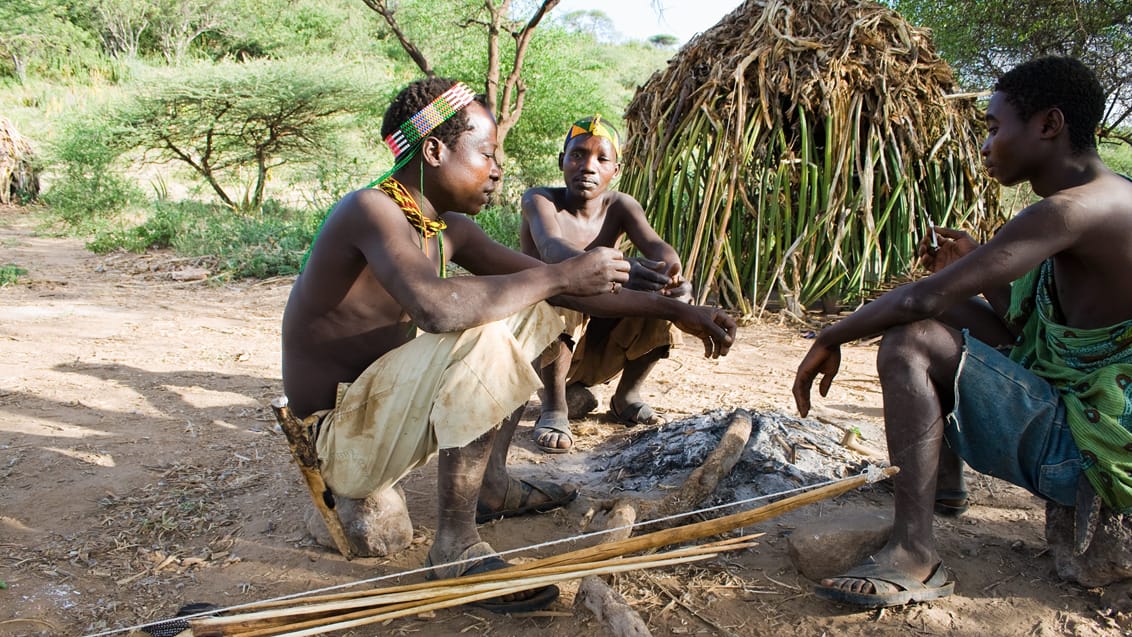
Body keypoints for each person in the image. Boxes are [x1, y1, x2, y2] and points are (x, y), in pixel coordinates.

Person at [282, 78, 737, 613]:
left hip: (382, 420)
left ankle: (491, 485)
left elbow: (568, 290)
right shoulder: (370, 209)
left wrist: (678, 310)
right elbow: (437, 308)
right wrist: (564, 273)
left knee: (543, 301)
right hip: (339, 440)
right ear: (434, 150)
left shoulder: (444, 227)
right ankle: (454, 547)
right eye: (487, 152)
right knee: (487, 330)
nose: (497, 168)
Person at [792, 56, 1132, 609]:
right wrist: (968, 264)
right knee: (932, 321)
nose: (985, 145)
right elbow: (1024, 329)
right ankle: (942, 490)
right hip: (1083, 429)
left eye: (995, 128)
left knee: (910, 337)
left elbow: (923, 300)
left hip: (1090, 454)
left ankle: (915, 555)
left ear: (1048, 125)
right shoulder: (1110, 195)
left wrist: (830, 335)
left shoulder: (1071, 210)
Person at [520, 115, 693, 453]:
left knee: (661, 301)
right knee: (558, 296)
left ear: (616, 170)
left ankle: (626, 395)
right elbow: (553, 251)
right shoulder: (539, 200)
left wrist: (672, 276)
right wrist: (624, 265)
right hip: (549, 342)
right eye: (577, 155)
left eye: (601, 159)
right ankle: (554, 407)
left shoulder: (620, 206)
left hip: (600, 334)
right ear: (561, 161)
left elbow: (658, 248)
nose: (588, 166)